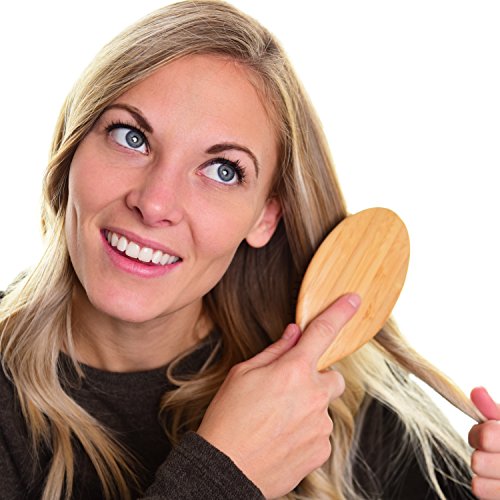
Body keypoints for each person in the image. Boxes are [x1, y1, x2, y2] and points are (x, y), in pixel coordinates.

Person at [0, 1, 498, 499]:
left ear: (266, 216)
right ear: (70, 146)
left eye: (222, 170)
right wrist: (226, 473)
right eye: (131, 137)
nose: (154, 204)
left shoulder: (337, 394)